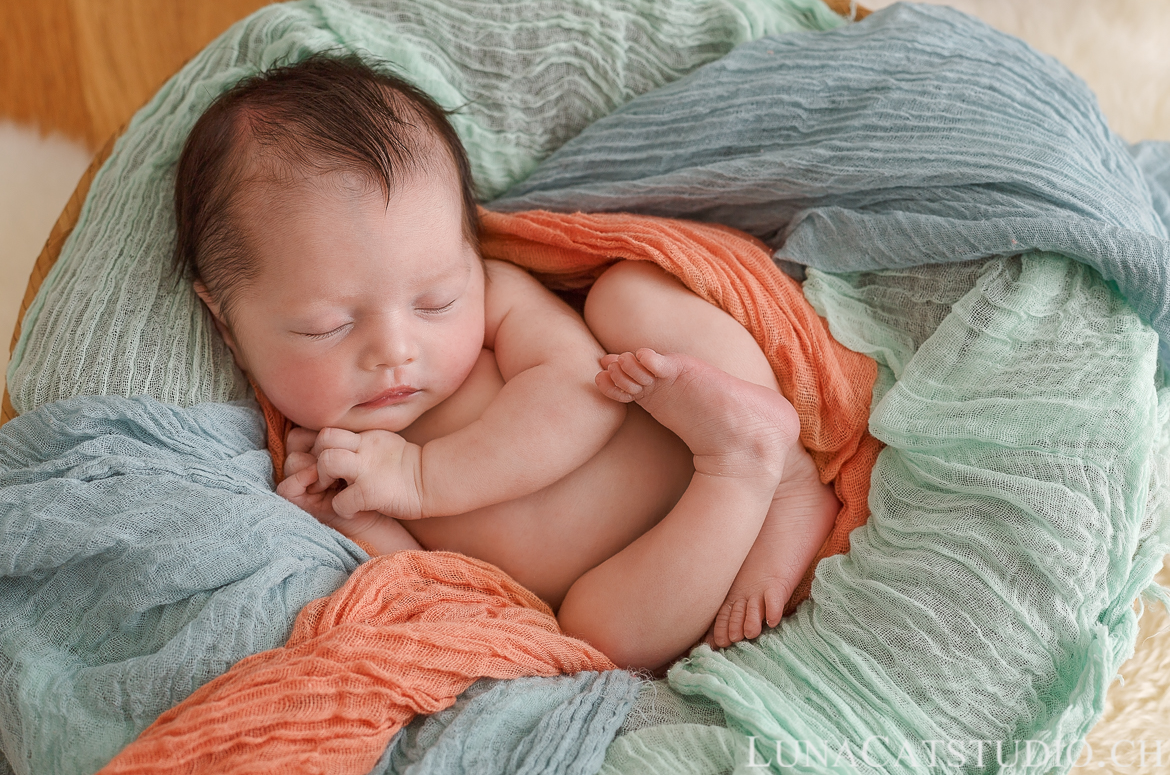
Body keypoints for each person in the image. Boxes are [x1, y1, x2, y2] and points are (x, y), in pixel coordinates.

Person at [174, 51, 840, 671]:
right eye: (330, 325)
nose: (396, 349)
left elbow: (584, 394)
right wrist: (350, 518)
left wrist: (423, 475)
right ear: (228, 326)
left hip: (676, 412)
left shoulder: (496, 301)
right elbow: (439, 590)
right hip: (652, 563)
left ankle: (787, 480)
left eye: (435, 300)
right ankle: (742, 475)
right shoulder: (329, 461)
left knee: (629, 293)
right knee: (596, 639)